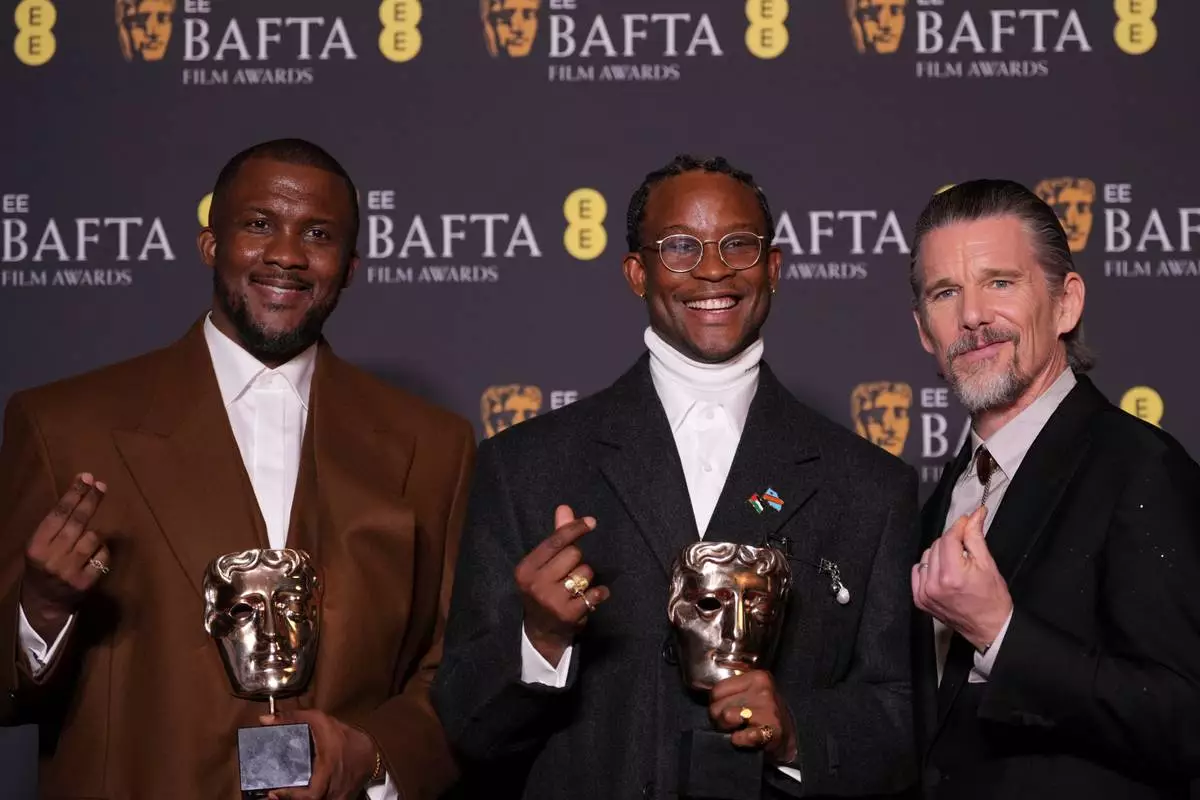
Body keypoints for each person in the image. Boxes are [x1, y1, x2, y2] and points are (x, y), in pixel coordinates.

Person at [0, 138, 474, 799]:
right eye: (259, 225)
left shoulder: (435, 445)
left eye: (318, 233)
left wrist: (372, 754)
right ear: (210, 244)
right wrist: (42, 609)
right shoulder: (63, 426)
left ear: (352, 265)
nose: (286, 253)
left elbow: (454, 670)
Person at [433, 155, 919, 799]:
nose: (714, 269)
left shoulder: (871, 487)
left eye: (738, 245)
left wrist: (800, 731)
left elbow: (904, 721)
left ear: (773, 266)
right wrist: (540, 641)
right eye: (681, 247)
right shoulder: (525, 467)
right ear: (638, 273)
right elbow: (465, 725)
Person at [907, 179, 1200, 798]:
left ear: (1066, 304)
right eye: (946, 292)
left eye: (1001, 282)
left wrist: (1001, 632)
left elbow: (1185, 717)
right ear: (925, 332)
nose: (973, 315)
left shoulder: (1140, 468)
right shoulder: (934, 503)